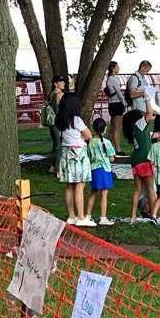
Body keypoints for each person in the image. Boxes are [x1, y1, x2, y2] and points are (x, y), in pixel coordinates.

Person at [55, 93, 96, 227]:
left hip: (66, 154)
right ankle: (81, 217)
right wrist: (82, 136)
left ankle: (71, 216)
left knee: (69, 187)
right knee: (80, 186)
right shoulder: (76, 119)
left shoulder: (60, 119)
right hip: (78, 154)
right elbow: (89, 135)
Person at [123, 108, 159, 224]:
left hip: (135, 161)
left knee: (137, 190)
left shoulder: (135, 131)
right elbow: (150, 112)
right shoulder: (139, 125)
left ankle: (133, 216)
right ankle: (154, 215)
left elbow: (158, 134)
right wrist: (147, 97)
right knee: (150, 190)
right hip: (145, 161)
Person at [84, 118, 116, 226]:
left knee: (93, 192)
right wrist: (110, 158)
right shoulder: (106, 142)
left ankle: (87, 216)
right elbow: (111, 157)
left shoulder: (91, 142)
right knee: (104, 193)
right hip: (104, 169)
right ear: (104, 129)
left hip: (93, 169)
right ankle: (103, 217)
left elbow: (88, 155)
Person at [105, 61, 126, 155]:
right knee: (117, 128)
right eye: (117, 66)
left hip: (112, 104)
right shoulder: (113, 79)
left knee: (113, 127)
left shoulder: (108, 79)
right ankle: (118, 149)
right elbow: (119, 93)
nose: (119, 68)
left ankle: (111, 148)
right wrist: (123, 103)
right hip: (117, 103)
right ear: (113, 68)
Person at [46, 75, 66, 173]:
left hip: (52, 123)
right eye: (61, 82)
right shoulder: (59, 95)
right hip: (58, 122)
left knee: (57, 143)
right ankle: (58, 168)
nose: (63, 83)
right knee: (60, 145)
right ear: (55, 84)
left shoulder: (50, 94)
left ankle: (53, 167)